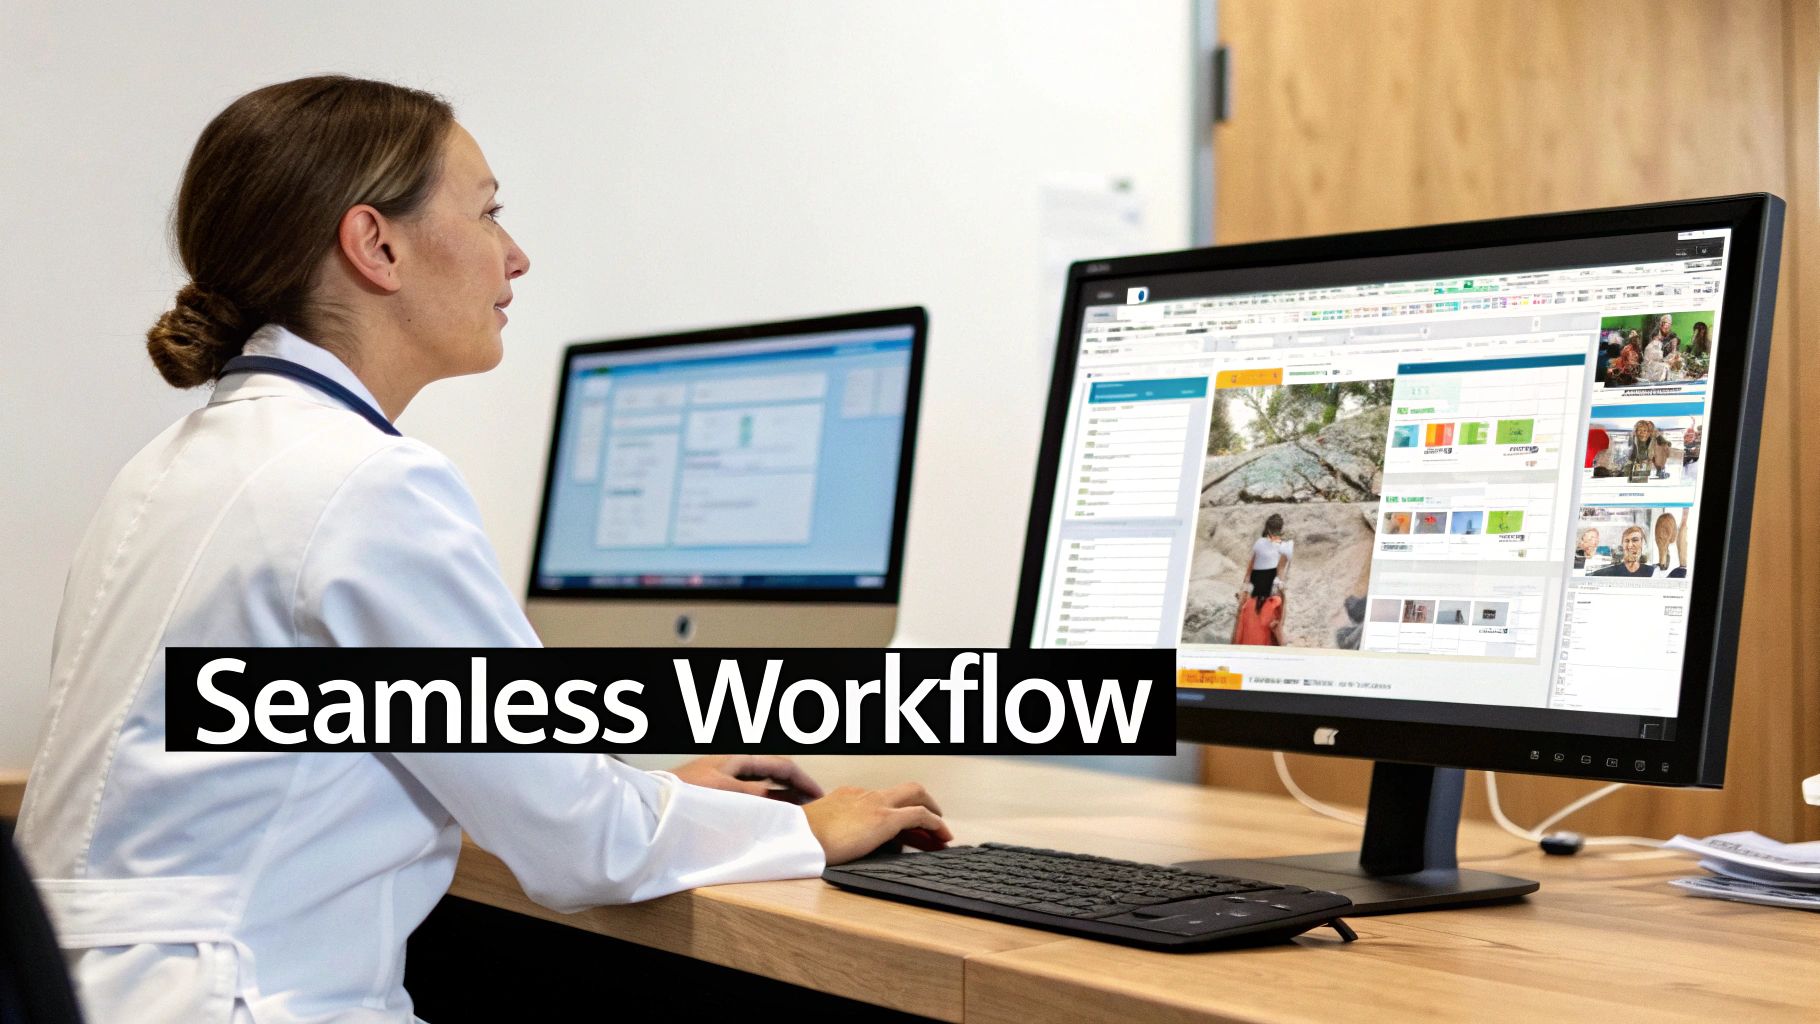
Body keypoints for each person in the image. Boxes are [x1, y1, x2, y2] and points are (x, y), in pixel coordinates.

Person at [13, 76, 948, 1024]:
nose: (517, 255)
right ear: (376, 245)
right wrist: (803, 831)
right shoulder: (364, 484)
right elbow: (581, 847)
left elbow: (482, 771)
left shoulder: (171, 468)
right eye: (489, 212)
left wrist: (636, 791)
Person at [1231, 513, 1290, 644]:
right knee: (1264, 630)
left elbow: (1249, 573)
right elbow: (1279, 574)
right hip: (1265, 597)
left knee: (1260, 630)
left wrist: (1244, 590)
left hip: (1265, 598)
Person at [1590, 525, 1655, 577]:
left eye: (1635, 540)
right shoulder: (1608, 572)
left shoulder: (1652, 572)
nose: (1629, 545)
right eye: (1626, 541)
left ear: (1642, 543)